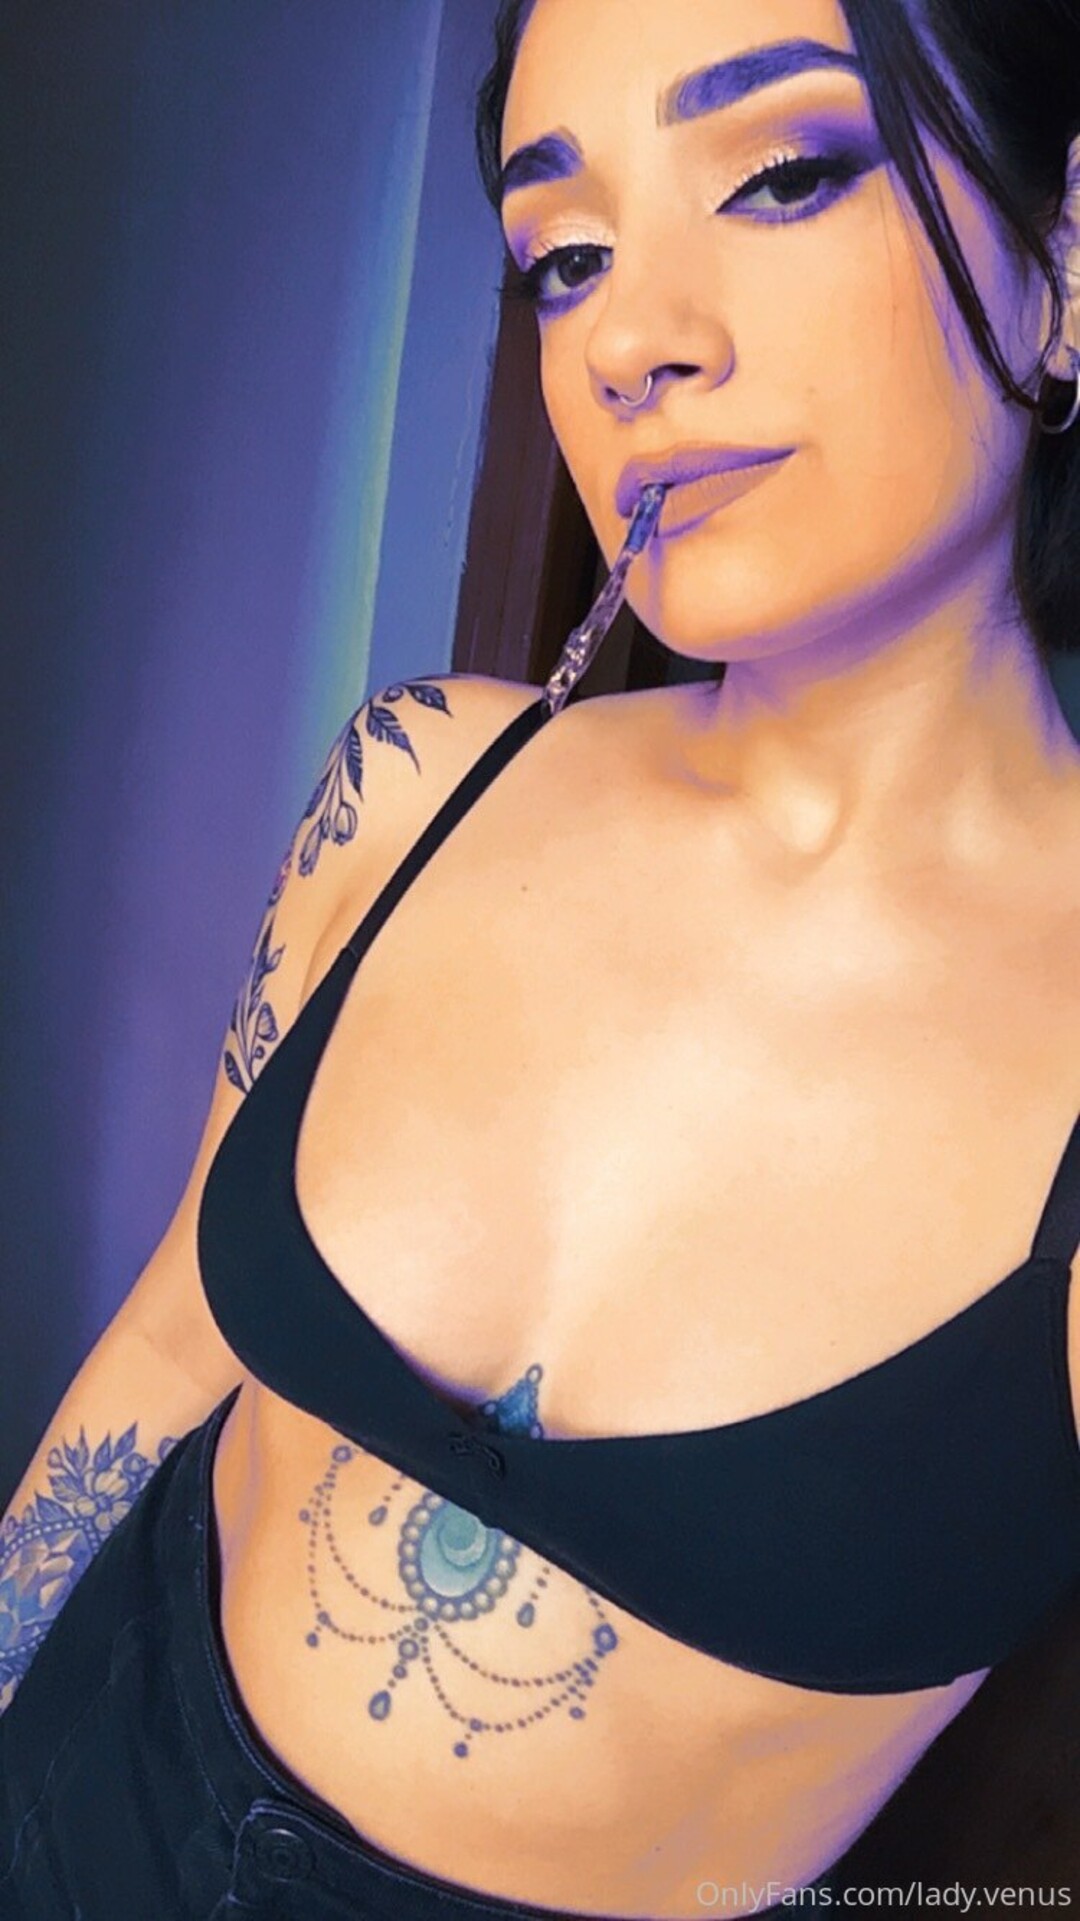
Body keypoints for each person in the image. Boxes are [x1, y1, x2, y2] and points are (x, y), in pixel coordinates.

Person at [2, 0, 1080, 1914]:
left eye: (782, 172)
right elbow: (172, 1337)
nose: (627, 338)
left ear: (1063, 260)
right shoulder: (416, 783)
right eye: (563, 254)